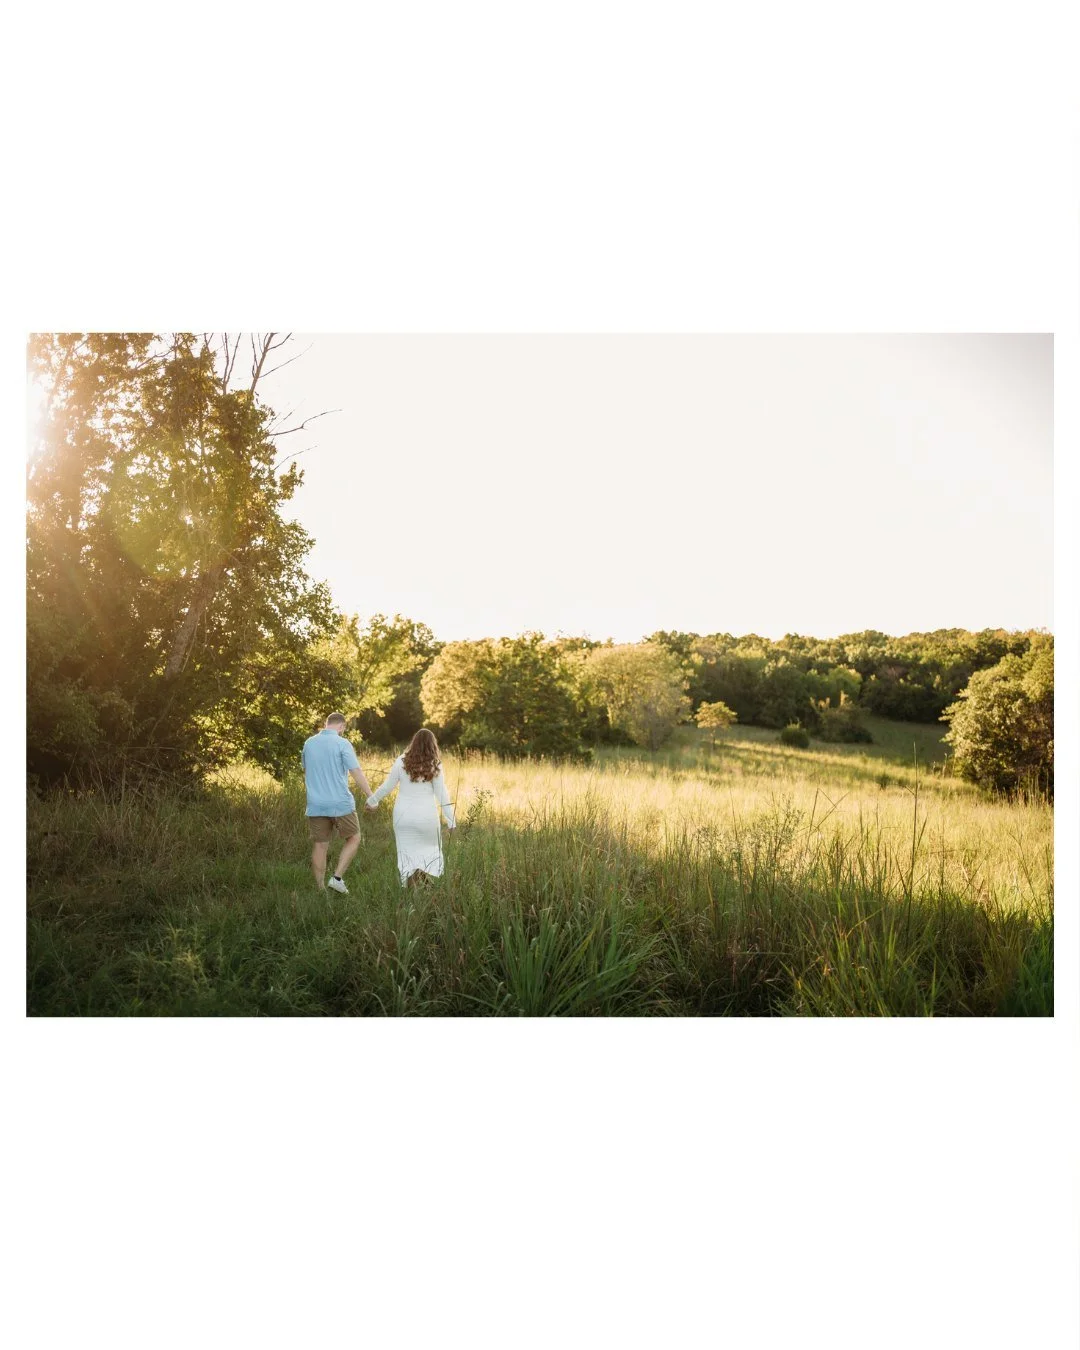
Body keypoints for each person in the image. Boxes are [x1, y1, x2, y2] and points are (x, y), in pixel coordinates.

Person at [365, 728, 456, 888]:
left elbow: (387, 786)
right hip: (426, 818)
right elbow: (443, 795)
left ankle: (414, 890)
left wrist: (372, 801)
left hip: (403, 817)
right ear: (433, 745)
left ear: (413, 743)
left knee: (407, 855)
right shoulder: (435, 765)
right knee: (428, 854)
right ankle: (422, 888)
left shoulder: (401, 761)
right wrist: (451, 821)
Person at [301, 712, 373, 894]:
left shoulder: (309, 743)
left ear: (327, 724)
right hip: (340, 803)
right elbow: (355, 771)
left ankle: (320, 889)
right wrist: (370, 795)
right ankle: (337, 878)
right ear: (341, 726)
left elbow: (306, 769)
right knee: (354, 837)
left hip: (316, 803)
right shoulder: (342, 743)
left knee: (320, 844)